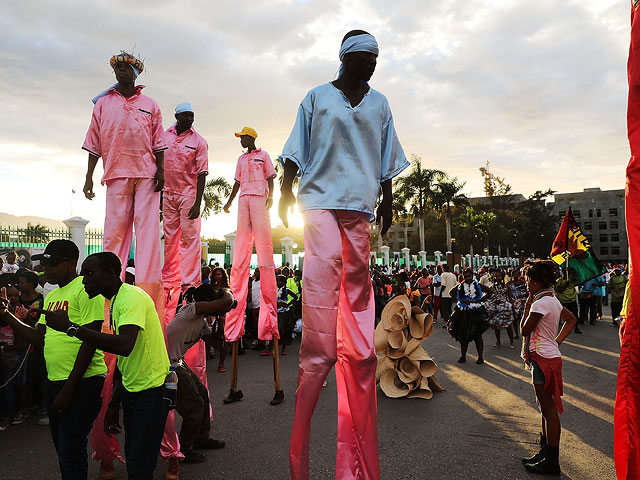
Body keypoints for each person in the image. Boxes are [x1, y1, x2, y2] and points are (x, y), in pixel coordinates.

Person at [279, 29, 409, 480]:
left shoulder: (380, 103)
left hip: (359, 205)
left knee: (356, 296)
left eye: (375, 58)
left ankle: (355, 358)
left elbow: (387, 158)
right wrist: (284, 191)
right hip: (317, 202)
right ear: (345, 58)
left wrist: (388, 201)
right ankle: (317, 358)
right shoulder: (317, 97)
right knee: (321, 284)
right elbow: (295, 149)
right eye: (363, 57)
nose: (371, 64)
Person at [39, 252, 172, 480]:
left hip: (151, 392)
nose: (84, 281)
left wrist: (71, 327)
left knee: (140, 466)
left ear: (110, 274)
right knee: (136, 461)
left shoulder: (131, 298)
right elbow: (127, 360)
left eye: (90, 274)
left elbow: (125, 345)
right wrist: (115, 403)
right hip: (134, 392)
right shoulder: (116, 301)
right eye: (83, 275)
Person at [0, 240, 106, 479]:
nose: (45, 270)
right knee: (63, 449)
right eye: (44, 264)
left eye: (52, 264)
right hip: (56, 380)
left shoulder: (85, 289)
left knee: (71, 451)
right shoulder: (53, 294)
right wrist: (6, 315)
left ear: (71, 264)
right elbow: (40, 338)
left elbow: (91, 340)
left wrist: (69, 388)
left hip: (82, 382)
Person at [222, 127, 279, 404]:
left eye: (243, 137)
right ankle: (233, 386)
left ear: (252, 137)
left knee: (265, 251)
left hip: (259, 198)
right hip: (244, 199)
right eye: (240, 138)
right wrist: (230, 200)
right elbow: (235, 182)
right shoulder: (241, 160)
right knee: (241, 251)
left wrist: (272, 198)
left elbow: (272, 178)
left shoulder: (263, 155)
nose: (241, 141)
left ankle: (272, 329)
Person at [520, 260, 577, 475]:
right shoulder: (552, 300)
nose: (526, 284)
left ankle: (552, 461)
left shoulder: (538, 304)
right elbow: (571, 320)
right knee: (544, 409)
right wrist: (557, 341)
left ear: (536, 281)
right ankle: (545, 452)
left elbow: (525, 330)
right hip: (548, 356)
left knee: (549, 411)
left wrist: (527, 306)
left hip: (543, 358)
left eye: (527, 280)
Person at [166, 284, 233, 463]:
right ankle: (184, 449)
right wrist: (226, 293)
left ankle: (201, 439)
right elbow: (227, 301)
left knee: (202, 393)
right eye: (215, 300)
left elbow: (219, 345)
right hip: (167, 366)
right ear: (208, 302)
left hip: (177, 362)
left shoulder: (201, 322)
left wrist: (222, 320)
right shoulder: (190, 310)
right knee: (194, 406)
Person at [162, 101, 208, 302]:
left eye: (192, 115)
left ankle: (189, 282)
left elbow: (202, 173)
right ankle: (169, 277)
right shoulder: (165, 135)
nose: (189, 119)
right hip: (168, 193)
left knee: (189, 239)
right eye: (186, 115)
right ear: (177, 116)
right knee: (170, 238)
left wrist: (198, 202)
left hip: (189, 195)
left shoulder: (199, 141)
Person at [448, 268, 492, 364]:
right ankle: (463, 356)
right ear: (463, 277)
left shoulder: (478, 285)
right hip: (463, 312)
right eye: (466, 277)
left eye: (469, 276)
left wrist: (479, 300)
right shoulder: (460, 286)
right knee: (463, 336)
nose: (468, 278)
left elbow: (489, 291)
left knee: (477, 335)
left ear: (473, 276)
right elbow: (451, 292)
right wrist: (459, 300)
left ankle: (480, 357)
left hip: (476, 312)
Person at [485, 270, 516, 348]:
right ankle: (498, 341)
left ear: (502, 277)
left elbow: (510, 296)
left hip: (505, 307)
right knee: (496, 325)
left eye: (499, 276)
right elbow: (489, 296)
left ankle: (511, 341)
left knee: (508, 325)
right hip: (496, 307)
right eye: (496, 276)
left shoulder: (506, 286)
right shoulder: (492, 287)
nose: (498, 277)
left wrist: (512, 306)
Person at [275, 274, 298, 356]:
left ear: (284, 283)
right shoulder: (275, 290)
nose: (278, 282)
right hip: (276, 312)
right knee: (274, 331)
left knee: (284, 331)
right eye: (277, 281)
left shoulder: (287, 290)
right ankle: (271, 348)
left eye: (280, 281)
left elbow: (295, 297)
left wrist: (288, 304)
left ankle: (283, 348)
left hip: (284, 313)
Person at [554, 269, 582, 334]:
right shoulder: (559, 281)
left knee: (575, 315)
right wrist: (565, 285)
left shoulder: (571, 280)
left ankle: (576, 328)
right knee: (559, 315)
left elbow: (577, 279)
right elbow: (557, 290)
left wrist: (573, 273)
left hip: (572, 300)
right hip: (562, 301)